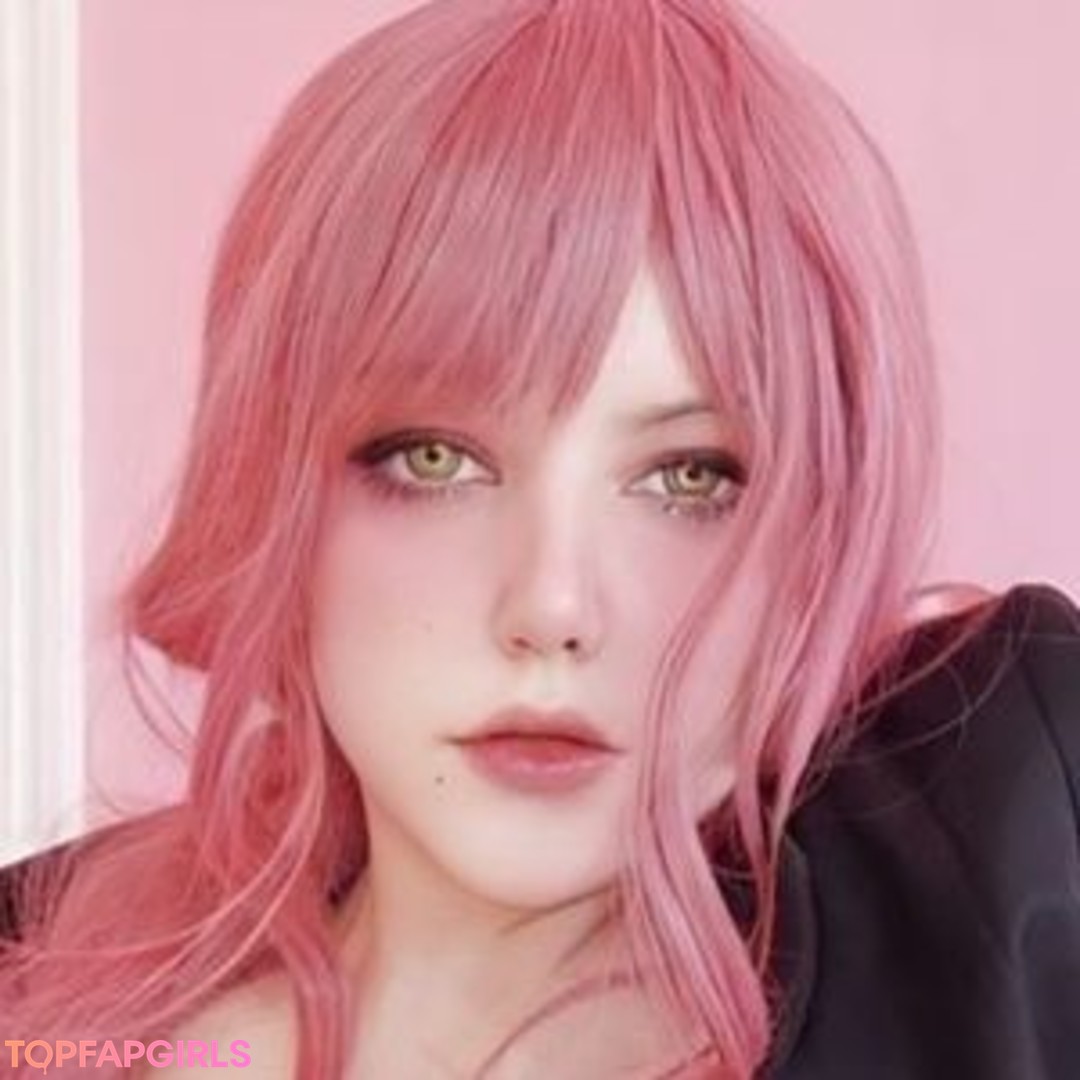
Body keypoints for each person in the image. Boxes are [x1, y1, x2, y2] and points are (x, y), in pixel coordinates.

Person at [2, 0, 1078, 1076]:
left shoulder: (1007, 838)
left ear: (822, 529)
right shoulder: (41, 988)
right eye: (435, 459)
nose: (553, 607)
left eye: (691, 476)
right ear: (275, 484)